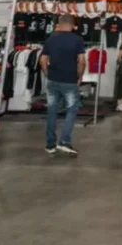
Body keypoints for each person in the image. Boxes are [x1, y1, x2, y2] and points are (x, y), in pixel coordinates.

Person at [40, 14, 86, 156]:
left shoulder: (51, 39)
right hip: (69, 80)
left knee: (52, 111)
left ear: (59, 24)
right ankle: (64, 141)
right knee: (71, 110)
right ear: (72, 25)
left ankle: (50, 144)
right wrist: (79, 77)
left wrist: (47, 74)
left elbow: (42, 60)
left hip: (53, 79)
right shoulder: (77, 40)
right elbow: (82, 61)